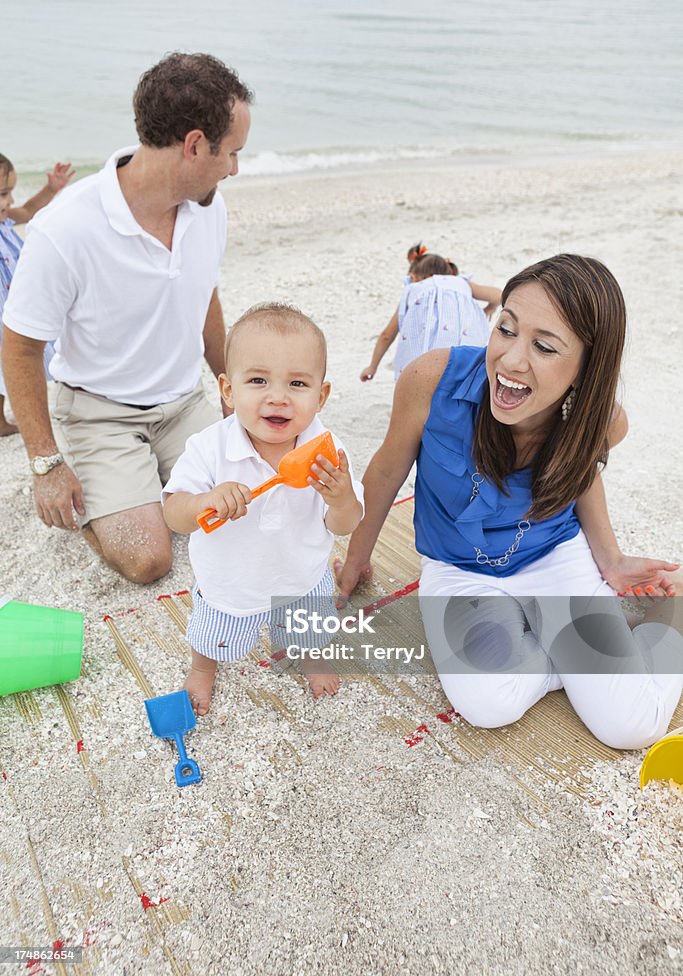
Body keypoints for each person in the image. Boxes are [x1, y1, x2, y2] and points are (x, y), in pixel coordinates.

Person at [339, 254, 682, 750]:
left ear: (586, 369)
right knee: (487, 704)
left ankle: (667, 616)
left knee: (632, 726)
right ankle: (570, 656)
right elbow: (387, 470)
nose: (512, 361)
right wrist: (356, 560)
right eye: (506, 329)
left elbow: (579, 473)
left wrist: (610, 560)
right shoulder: (431, 379)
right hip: (459, 568)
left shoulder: (603, 423)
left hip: (554, 559)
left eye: (544, 347)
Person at [2, 53, 253, 584]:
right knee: (149, 561)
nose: (234, 168)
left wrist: (228, 384)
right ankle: (101, 489)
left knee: (251, 511)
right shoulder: (64, 229)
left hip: (183, 404)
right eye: (230, 153)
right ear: (193, 145)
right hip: (99, 415)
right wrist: (45, 464)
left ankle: (151, 482)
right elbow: (20, 346)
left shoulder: (210, 207)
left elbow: (203, 290)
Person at [162, 303, 364, 713]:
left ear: (321, 395)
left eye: (297, 384)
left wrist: (341, 497)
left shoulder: (327, 452)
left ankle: (311, 655)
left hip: (301, 577)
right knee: (213, 634)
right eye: (258, 380)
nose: (278, 397)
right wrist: (204, 500)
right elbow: (173, 511)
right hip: (230, 582)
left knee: (309, 627)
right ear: (228, 390)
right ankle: (203, 668)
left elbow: (344, 524)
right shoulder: (209, 448)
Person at [0, 154, 74, 435]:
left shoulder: (5, 218)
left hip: (13, 304)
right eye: (3, 194)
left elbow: (29, 210)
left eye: (9, 193)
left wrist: (52, 189)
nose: (9, 201)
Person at [360, 252, 501, 382]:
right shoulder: (462, 283)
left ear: (413, 276)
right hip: (466, 357)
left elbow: (387, 335)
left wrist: (372, 367)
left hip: (424, 360)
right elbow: (499, 295)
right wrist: (490, 308)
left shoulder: (413, 289)